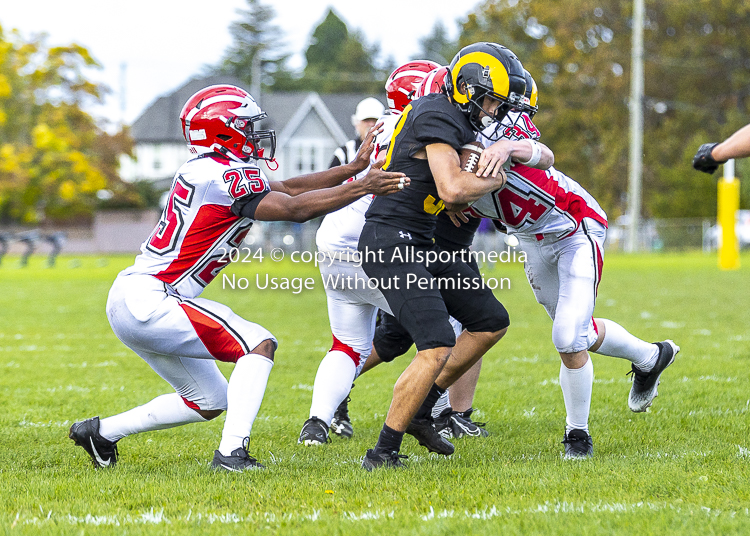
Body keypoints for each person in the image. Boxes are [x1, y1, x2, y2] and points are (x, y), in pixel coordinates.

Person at [67, 84, 408, 472]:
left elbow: (290, 187)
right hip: (154, 297)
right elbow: (294, 208)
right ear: (223, 130)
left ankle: (101, 432)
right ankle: (232, 455)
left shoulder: (211, 170)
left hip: (136, 297)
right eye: (247, 126)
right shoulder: (221, 175)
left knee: (208, 399)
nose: (255, 133)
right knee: (258, 344)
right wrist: (362, 185)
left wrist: (351, 170)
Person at [464, 80, 679, 459]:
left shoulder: (498, 123)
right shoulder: (438, 151)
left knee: (567, 336)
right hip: (531, 242)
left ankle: (577, 436)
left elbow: (544, 154)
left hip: (574, 227)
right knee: (574, 331)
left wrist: (507, 147)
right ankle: (650, 356)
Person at [357, 42, 525, 470]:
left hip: (423, 241)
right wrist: (495, 178)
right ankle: (382, 452)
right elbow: (452, 191)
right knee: (435, 342)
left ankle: (424, 408)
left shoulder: (450, 119)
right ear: (468, 89)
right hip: (391, 240)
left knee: (490, 321)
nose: (493, 111)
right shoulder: (437, 112)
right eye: (491, 100)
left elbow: (448, 201)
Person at [298, 60, 439, 446]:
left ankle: (317, 421)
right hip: (371, 246)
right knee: (448, 324)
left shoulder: (379, 129)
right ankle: (431, 412)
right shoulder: (421, 129)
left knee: (348, 344)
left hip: (332, 241)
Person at [330, 97, 386, 169]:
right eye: (367, 120)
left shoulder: (390, 149)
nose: (371, 124)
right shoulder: (344, 153)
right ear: (357, 123)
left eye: (375, 120)